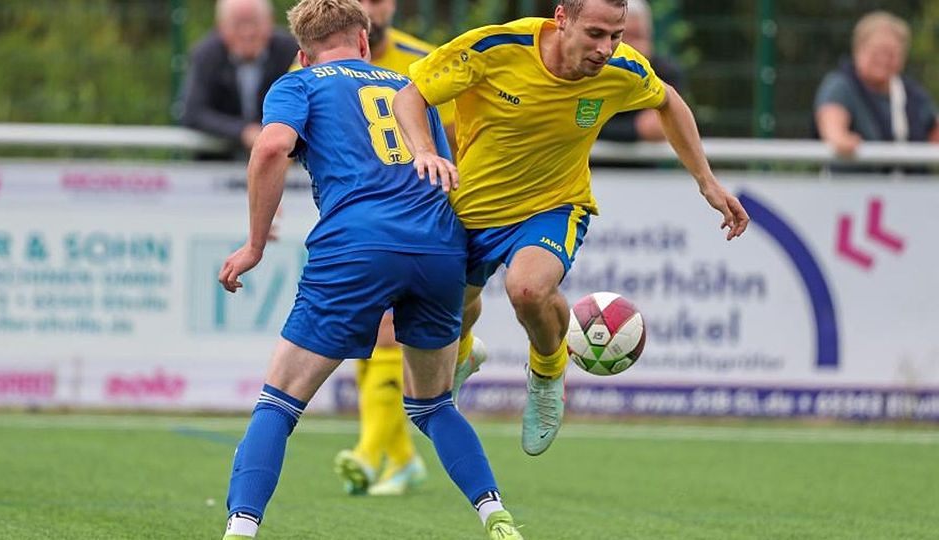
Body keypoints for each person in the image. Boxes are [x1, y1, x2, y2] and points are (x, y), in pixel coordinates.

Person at [217, 1, 523, 539]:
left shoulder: (299, 83)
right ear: (363, 41)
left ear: (301, 51)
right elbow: (442, 169)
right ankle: (494, 513)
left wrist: (254, 245)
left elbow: (271, 148)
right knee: (431, 405)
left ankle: (240, 530)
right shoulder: (412, 88)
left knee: (279, 401)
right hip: (438, 246)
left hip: (357, 245)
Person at [393, 0, 749, 456]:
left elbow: (668, 102)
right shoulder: (495, 48)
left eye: (616, 35)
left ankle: (546, 373)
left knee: (528, 290)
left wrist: (706, 181)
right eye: (595, 34)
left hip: (554, 205)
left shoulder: (622, 68)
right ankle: (465, 353)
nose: (606, 48)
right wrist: (424, 149)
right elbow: (410, 94)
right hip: (471, 209)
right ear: (562, 19)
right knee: (453, 313)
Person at [331, 0, 458, 499]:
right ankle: (401, 459)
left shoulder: (426, 59)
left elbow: (458, 135)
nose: (370, 6)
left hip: (419, 221)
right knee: (370, 327)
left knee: (387, 327)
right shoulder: (318, 64)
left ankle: (368, 451)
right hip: (355, 219)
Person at [814, 10, 939, 169]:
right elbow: (832, 124)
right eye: (877, 52)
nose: (884, 60)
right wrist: (841, 139)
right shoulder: (840, 86)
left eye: (892, 54)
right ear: (858, 49)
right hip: (856, 188)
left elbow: (934, 130)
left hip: (908, 189)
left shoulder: (912, 93)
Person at [181, 0, 299, 160]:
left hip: (281, 160)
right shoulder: (205, 55)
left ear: (270, 21)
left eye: (255, 23)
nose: (247, 32)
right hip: (218, 164)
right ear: (220, 26)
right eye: (237, 24)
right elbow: (193, 113)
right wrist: (243, 131)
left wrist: (273, 132)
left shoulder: (291, 51)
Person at [597, 0, 685, 143]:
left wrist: (596, 124)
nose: (633, 46)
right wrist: (637, 128)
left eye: (639, 36)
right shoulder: (591, 67)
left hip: (642, 164)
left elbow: (660, 127)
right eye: (625, 36)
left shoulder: (664, 72)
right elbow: (572, 122)